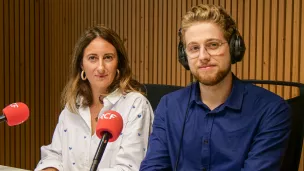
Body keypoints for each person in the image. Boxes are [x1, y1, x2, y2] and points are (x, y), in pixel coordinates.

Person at [140, 4, 291, 171]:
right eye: (194, 48)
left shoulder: (271, 109)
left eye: (213, 45)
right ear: (184, 56)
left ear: (234, 48)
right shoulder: (169, 105)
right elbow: (152, 167)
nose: (203, 56)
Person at [35, 25, 154, 171]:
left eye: (108, 58)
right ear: (81, 65)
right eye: (92, 58)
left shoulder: (135, 105)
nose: (101, 67)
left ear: (119, 63)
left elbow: (130, 167)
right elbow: (54, 155)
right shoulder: (74, 106)